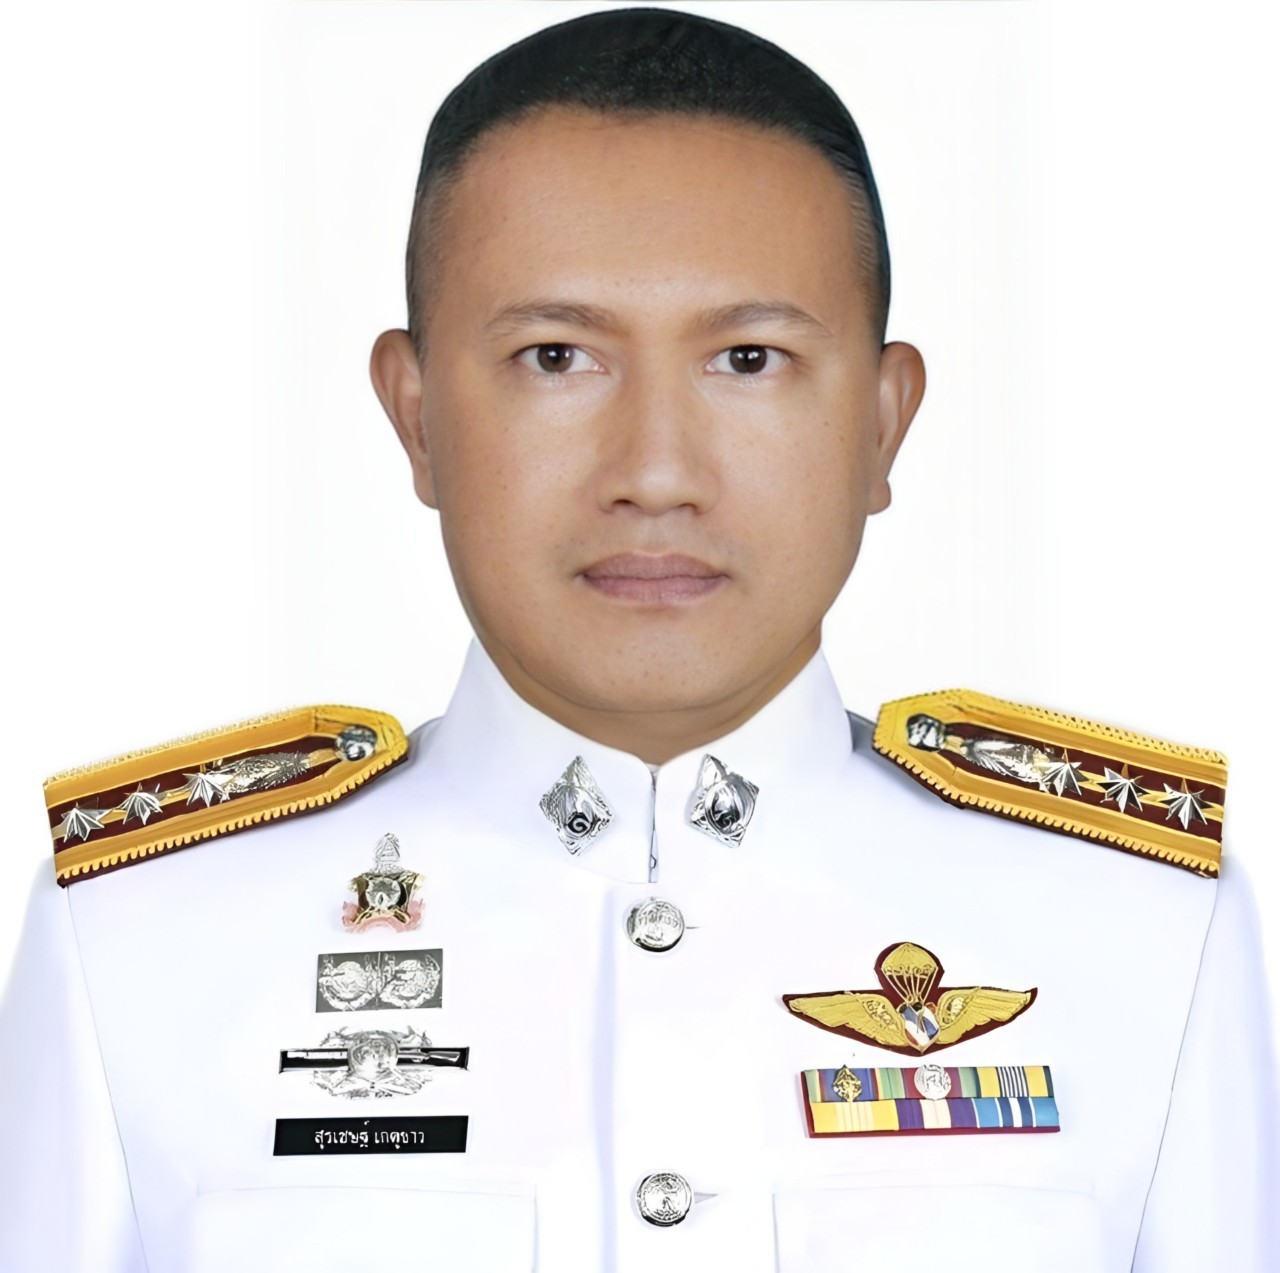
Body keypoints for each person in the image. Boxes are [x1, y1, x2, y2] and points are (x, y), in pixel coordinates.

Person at [1, 7, 1274, 1272]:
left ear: (882, 424)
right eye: (555, 356)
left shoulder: (1141, 925)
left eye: (747, 358)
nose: (656, 473)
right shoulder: (140, 933)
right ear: (416, 415)